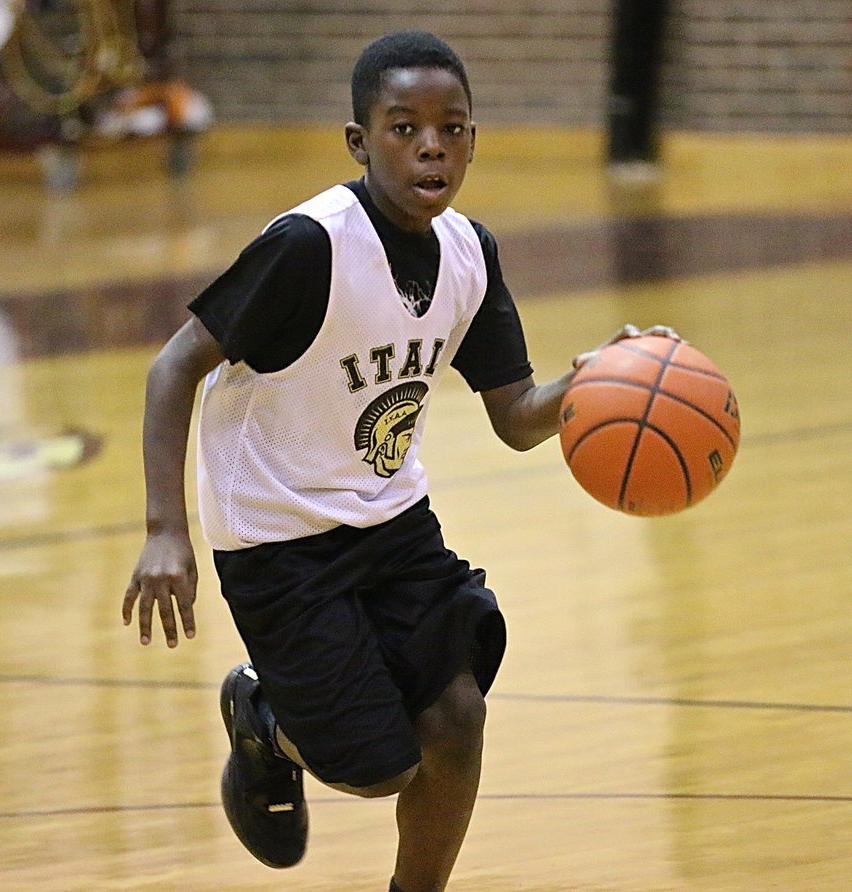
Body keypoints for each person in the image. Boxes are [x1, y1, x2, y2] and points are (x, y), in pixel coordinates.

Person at [122, 29, 676, 892]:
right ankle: (264, 718)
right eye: (403, 127)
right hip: (279, 536)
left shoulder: (469, 253)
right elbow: (172, 369)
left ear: (472, 141)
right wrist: (166, 532)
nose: (431, 146)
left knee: (456, 717)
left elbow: (519, 418)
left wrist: (605, 376)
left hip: (392, 524)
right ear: (359, 141)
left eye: (451, 129)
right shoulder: (310, 247)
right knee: (378, 768)